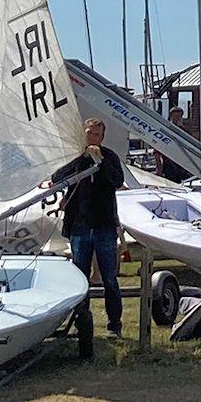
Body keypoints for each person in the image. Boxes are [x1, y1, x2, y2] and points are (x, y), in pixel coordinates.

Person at [53, 118, 125, 338]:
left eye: (96, 134)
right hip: (80, 226)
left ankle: (114, 325)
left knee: (109, 278)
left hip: (103, 225)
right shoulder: (76, 157)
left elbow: (117, 181)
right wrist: (82, 159)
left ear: (102, 137)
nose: (92, 138)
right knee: (80, 278)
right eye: (89, 134)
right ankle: (82, 323)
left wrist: (100, 161)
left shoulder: (110, 157)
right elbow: (57, 177)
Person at [155, 106, 191, 183]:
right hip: (169, 163)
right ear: (171, 116)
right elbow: (157, 150)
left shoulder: (184, 132)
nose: (177, 119)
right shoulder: (165, 130)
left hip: (182, 164)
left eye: (179, 116)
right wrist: (159, 168)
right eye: (175, 117)